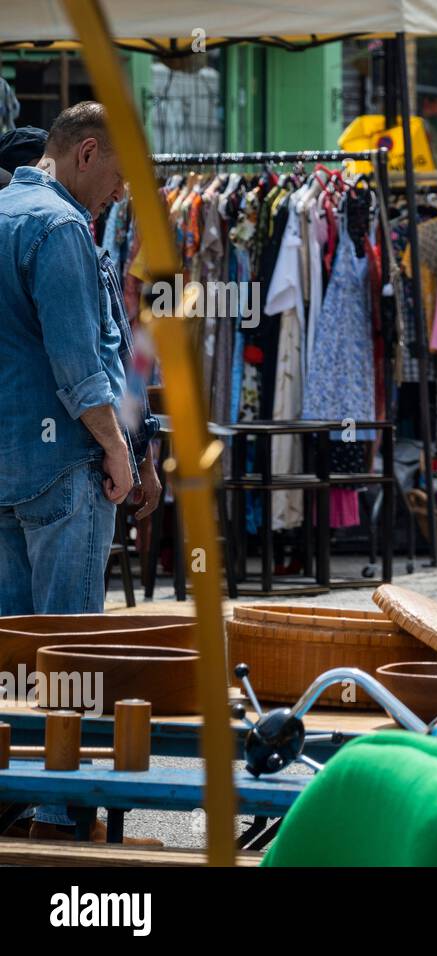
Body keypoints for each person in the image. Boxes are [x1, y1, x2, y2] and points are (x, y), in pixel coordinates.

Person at [0, 102, 161, 842]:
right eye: (122, 177)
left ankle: (13, 788)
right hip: (63, 466)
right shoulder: (61, 227)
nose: (124, 195)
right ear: (88, 152)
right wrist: (124, 453)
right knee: (69, 648)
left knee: (12, 651)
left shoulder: (8, 211)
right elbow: (83, 364)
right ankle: (59, 806)